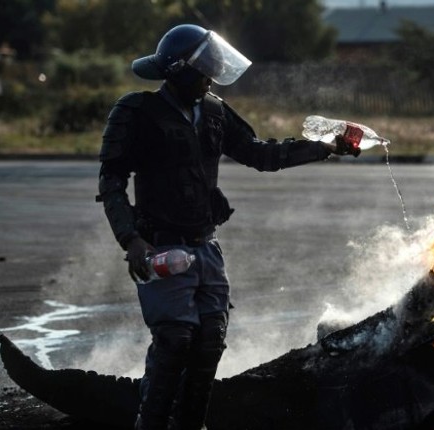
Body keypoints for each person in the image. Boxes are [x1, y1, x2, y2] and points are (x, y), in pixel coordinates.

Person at [95, 24, 360, 430]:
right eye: (203, 72)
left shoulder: (215, 111)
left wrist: (326, 148)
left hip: (206, 247)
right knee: (174, 343)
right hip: (161, 249)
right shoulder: (137, 112)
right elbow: (111, 180)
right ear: (179, 71)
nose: (210, 79)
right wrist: (131, 240)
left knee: (209, 343)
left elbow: (261, 154)